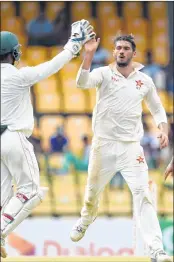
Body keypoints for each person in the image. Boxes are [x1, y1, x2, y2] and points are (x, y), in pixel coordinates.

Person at [70, 35, 172, 262]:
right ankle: (86, 219)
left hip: (131, 148)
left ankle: (156, 250)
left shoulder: (144, 80)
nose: (121, 52)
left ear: (133, 53)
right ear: (114, 52)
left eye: (126, 48)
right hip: (102, 145)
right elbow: (81, 82)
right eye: (118, 48)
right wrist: (88, 54)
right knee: (91, 194)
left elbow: (157, 108)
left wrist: (163, 130)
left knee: (143, 195)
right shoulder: (104, 73)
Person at [0, 20, 95, 258]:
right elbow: (50, 67)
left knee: (5, 200)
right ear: (14, 53)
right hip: (13, 137)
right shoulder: (17, 76)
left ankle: (1, 232)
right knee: (31, 191)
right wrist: (73, 45)